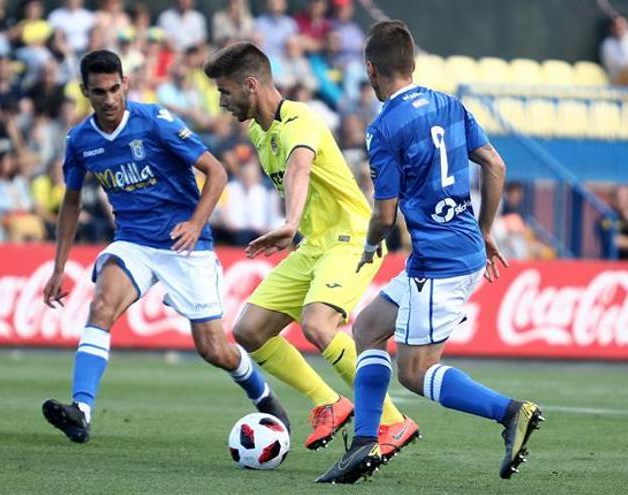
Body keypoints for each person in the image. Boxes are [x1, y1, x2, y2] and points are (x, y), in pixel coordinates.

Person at [317, 20, 542, 484]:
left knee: (416, 372)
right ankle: (363, 444)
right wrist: (485, 232)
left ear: (371, 70)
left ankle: (511, 413)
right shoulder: (449, 104)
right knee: (368, 327)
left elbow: (384, 216)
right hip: (451, 250)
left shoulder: (384, 129)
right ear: (413, 65)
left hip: (441, 261)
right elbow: (495, 166)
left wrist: (369, 246)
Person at [40, 50, 289, 443]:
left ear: (124, 83)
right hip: (133, 241)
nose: (108, 99)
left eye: (114, 89)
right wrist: (58, 268)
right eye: (98, 92)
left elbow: (217, 172)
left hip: (184, 244)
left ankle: (264, 396)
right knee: (101, 306)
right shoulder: (80, 140)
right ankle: (81, 410)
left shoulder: (154, 121)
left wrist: (195, 223)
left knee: (213, 349)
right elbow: (70, 203)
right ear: (84, 91)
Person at [203, 41, 418, 459]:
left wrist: (288, 222)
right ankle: (329, 402)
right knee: (248, 331)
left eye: (226, 91)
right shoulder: (257, 133)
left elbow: (300, 166)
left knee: (318, 325)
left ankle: (393, 420)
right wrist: (296, 229)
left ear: (250, 85)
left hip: (353, 238)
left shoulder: (300, 118)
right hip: (314, 244)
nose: (222, 102)